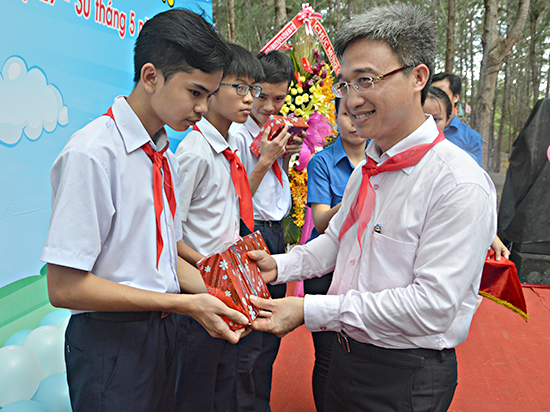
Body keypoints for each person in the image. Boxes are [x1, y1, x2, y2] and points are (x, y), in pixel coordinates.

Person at [248, 4, 497, 412]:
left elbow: (431, 307)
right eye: (345, 84)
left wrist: (310, 309)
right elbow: (336, 241)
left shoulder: (457, 184)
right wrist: (279, 267)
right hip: (346, 356)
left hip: (403, 375)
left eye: (366, 80)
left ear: (418, 77)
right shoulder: (369, 167)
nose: (352, 100)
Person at [40, 9, 250, 412]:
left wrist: (224, 295)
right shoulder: (94, 154)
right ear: (151, 77)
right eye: (195, 92)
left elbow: (162, 257)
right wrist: (184, 304)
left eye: (208, 94)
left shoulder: (161, 154)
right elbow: (64, 287)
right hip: (112, 345)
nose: (204, 108)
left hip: (163, 333)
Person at [174, 43, 266, 412]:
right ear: (210, 92)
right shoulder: (194, 153)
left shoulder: (232, 146)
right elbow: (169, 234)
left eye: (252, 89)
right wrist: (210, 270)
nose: (249, 99)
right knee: (197, 389)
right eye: (239, 87)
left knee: (226, 383)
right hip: (202, 290)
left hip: (229, 287)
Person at [229, 49, 299, 412]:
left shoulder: (272, 129)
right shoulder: (238, 135)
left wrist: (283, 157)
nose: (270, 106)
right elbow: (236, 199)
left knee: (270, 331)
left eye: (279, 98)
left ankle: (260, 403)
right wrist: (268, 158)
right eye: (262, 96)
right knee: (249, 334)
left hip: (274, 235)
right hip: (248, 233)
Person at [303, 97, 367, 412]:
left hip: (366, 268)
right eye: (347, 115)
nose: (354, 122)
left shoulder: (383, 160)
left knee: (361, 355)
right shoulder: (322, 163)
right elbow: (320, 221)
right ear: (336, 117)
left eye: (362, 115)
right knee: (327, 356)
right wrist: (356, 192)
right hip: (326, 268)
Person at [423, 87, 510, 261]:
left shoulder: (461, 164)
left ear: (449, 119)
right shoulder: (394, 156)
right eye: (423, 118)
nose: (428, 125)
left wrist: (492, 236)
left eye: (436, 119)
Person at [431, 72, 483, 165]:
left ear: (455, 97)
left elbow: (474, 170)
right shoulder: (416, 128)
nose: (434, 98)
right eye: (431, 92)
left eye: (441, 93)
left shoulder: (471, 137)